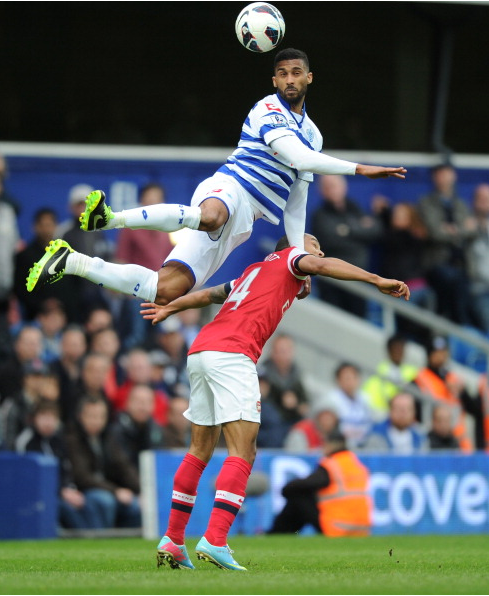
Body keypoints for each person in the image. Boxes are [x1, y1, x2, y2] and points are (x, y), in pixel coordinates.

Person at [25, 48, 406, 309]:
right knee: (211, 216)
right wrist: (359, 168)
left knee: (165, 290)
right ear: (274, 79)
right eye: (283, 73)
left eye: (296, 73)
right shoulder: (267, 109)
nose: (290, 79)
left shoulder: (315, 134)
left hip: (245, 221)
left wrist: (296, 253)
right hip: (229, 189)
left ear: (309, 77)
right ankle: (110, 218)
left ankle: (71, 261)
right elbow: (296, 156)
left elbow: (296, 201)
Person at [139, 232, 408, 571]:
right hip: (233, 354)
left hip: (202, 351)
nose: (318, 251)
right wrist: (376, 279)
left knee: (200, 450)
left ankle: (174, 541)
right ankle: (216, 540)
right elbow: (323, 265)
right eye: (314, 245)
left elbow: (210, 294)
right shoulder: (292, 258)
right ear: (294, 247)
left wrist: (170, 307)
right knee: (244, 451)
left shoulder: (256, 270)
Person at [268, 429, 371, 536]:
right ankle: (285, 533)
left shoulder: (332, 464)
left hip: (338, 526)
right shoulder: (355, 464)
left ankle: (277, 533)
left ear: (331, 444)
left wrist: (285, 490)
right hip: (361, 528)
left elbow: (307, 483)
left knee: (299, 497)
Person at [64, 395, 141, 529]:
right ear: (80, 416)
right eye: (92, 416)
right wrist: (116, 490)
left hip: (110, 489)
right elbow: (83, 477)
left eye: (101, 416)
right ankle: (102, 540)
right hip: (84, 491)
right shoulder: (73, 439)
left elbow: (123, 466)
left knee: (136, 506)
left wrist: (142, 490)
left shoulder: (108, 437)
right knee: (105, 501)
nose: (97, 421)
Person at [311, 174, 383, 317]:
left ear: (344, 187)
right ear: (321, 191)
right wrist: (359, 230)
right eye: (328, 186)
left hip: (358, 277)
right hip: (332, 281)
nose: (332, 190)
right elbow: (329, 241)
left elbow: (376, 231)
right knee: (334, 323)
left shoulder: (355, 208)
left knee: (359, 321)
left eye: (335, 185)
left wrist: (346, 230)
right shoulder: (319, 215)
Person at [417, 163, 478, 326]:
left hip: (463, 264)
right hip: (438, 265)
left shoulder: (460, 203)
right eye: (439, 174)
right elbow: (435, 233)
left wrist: (452, 230)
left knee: (465, 289)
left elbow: (474, 230)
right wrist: (462, 229)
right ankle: (460, 327)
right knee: (455, 288)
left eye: (447, 173)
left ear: (454, 176)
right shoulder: (426, 202)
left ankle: (464, 327)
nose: (443, 178)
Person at [415, 335, 475, 452]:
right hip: (432, 442)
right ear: (429, 354)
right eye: (437, 352)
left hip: (458, 442)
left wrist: (462, 391)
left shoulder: (454, 378)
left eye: (443, 352)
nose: (441, 356)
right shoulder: (420, 379)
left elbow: (473, 409)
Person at [362, 334, 419, 421]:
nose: (398, 352)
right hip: (383, 416)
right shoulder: (378, 373)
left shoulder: (414, 372)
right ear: (389, 351)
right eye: (395, 349)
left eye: (401, 349)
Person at [323, 362, 373, 449]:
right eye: (347, 378)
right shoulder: (331, 400)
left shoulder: (366, 398)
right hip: (340, 446)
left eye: (353, 377)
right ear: (338, 380)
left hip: (364, 445)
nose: (350, 381)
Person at [360, 392, 427, 454]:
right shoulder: (376, 435)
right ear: (390, 410)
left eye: (408, 409)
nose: (403, 414)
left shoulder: (420, 436)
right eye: (399, 409)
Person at [466, 183, 489, 332]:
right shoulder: (466, 225)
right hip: (477, 289)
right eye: (481, 199)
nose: (484, 202)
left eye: (487, 199)